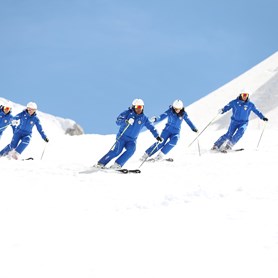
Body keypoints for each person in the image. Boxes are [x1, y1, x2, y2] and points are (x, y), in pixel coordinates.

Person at [93, 98, 162, 169]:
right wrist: (126, 121)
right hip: (122, 137)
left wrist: (157, 136)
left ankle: (117, 164)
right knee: (117, 151)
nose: (139, 109)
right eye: (137, 107)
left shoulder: (144, 118)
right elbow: (118, 121)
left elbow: (151, 127)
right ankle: (101, 163)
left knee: (131, 150)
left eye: (140, 107)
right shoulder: (127, 113)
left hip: (132, 140)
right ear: (133, 107)